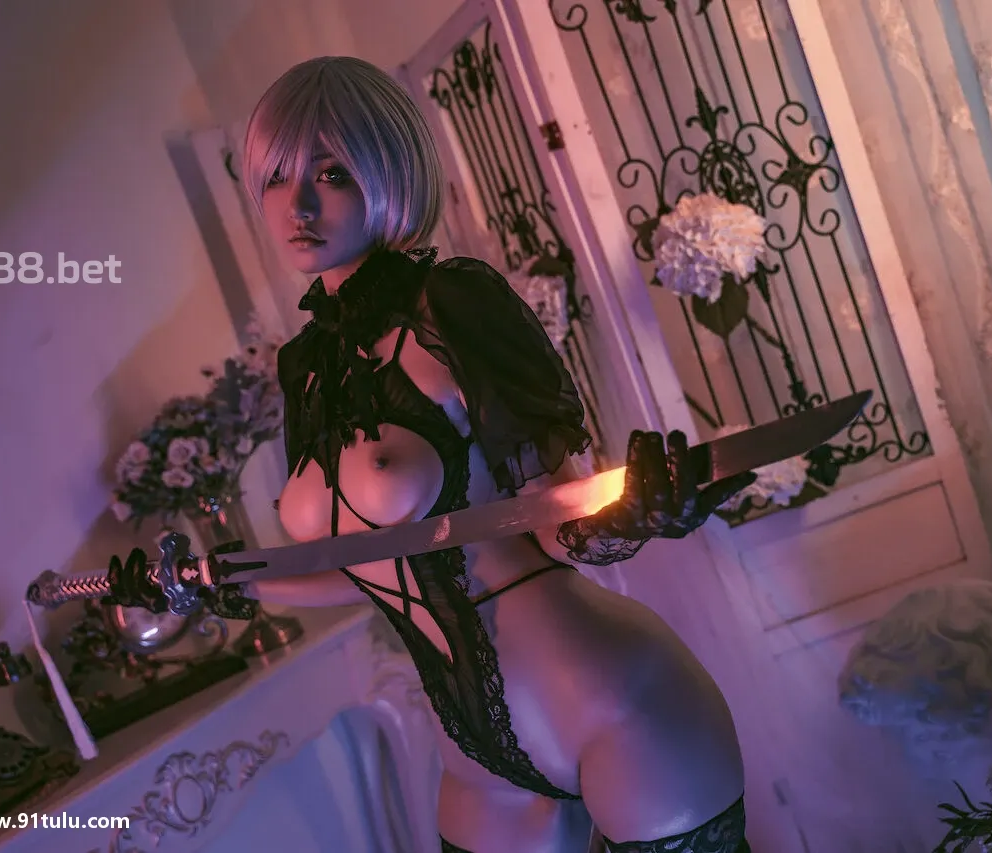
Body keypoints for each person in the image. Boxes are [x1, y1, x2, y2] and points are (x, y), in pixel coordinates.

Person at [115, 56, 755, 853]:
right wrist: (205, 587)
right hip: (477, 760)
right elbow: (361, 568)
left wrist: (633, 516)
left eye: (331, 173)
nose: (297, 204)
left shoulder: (453, 300)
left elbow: (556, 515)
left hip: (610, 702)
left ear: (388, 173)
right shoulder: (306, 364)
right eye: (276, 178)